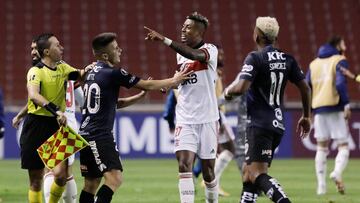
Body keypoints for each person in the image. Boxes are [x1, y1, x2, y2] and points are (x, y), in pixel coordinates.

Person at [78, 32, 191, 203]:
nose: (120, 51)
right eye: (116, 48)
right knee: (115, 179)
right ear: (106, 55)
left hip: (85, 134)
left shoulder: (91, 74)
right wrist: (174, 81)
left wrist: (139, 97)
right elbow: (148, 84)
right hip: (99, 135)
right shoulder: (113, 73)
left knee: (91, 184)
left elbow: (115, 103)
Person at [224, 16, 311, 203]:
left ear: (257, 36)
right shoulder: (288, 59)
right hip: (277, 123)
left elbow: (241, 88)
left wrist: (228, 92)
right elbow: (305, 88)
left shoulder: (255, 57)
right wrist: (306, 116)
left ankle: (284, 201)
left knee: (257, 173)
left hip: (258, 124)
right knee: (248, 174)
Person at [145, 12, 220, 203]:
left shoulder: (210, 50)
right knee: (184, 165)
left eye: (188, 27)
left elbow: (194, 55)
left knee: (208, 172)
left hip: (208, 120)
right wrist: (168, 84)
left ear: (199, 31)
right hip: (185, 119)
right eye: (183, 26)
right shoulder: (181, 55)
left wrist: (164, 39)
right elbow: (181, 78)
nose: (183, 29)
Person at [12, 37, 86, 203]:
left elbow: (81, 78)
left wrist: (91, 70)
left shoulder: (63, 68)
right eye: (31, 48)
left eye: (34, 48)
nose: (32, 52)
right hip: (40, 124)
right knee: (39, 178)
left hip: (61, 124)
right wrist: (22, 115)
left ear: (43, 50)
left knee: (59, 175)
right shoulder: (36, 72)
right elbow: (34, 97)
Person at [306, 35, 350, 195]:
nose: (345, 46)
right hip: (335, 107)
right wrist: (346, 103)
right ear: (338, 45)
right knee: (343, 146)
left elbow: (307, 87)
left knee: (321, 147)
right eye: (344, 43)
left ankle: (321, 186)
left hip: (318, 109)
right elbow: (339, 83)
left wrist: (309, 111)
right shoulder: (339, 60)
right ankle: (337, 172)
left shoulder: (313, 64)